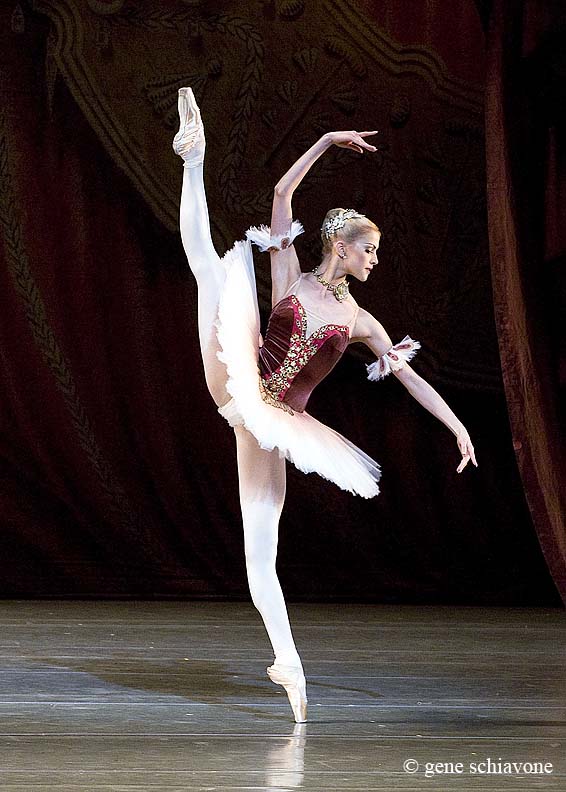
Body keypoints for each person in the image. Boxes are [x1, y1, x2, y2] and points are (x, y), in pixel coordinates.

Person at [172, 87, 477, 723]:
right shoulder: (291, 276)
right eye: (368, 248)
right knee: (208, 266)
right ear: (340, 246)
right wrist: (325, 142)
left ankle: (286, 660)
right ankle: (193, 157)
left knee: (262, 556)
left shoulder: (360, 319)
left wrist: (455, 423)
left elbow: (406, 378)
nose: (374, 259)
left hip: (283, 421)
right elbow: (283, 197)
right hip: (243, 379)